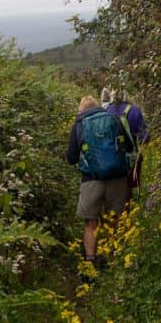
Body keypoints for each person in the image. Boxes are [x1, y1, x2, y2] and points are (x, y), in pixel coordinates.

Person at [66, 95, 135, 268]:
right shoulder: (114, 119)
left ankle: (90, 262)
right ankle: (114, 259)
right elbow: (129, 146)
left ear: (81, 110)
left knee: (90, 223)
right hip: (117, 179)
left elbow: (71, 157)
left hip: (91, 180)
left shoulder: (80, 124)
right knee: (114, 220)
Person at [102, 85, 150, 195]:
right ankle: (126, 210)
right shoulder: (134, 111)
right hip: (130, 159)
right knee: (127, 192)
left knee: (111, 193)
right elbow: (144, 138)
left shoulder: (105, 111)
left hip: (109, 159)